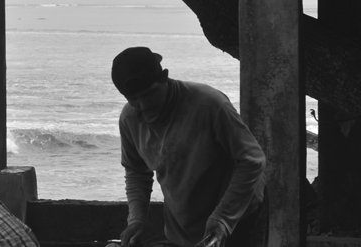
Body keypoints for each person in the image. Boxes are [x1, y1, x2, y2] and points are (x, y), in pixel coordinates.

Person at [111, 46, 266, 247]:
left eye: (149, 94)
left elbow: (252, 160)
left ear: (164, 78)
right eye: (133, 99)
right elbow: (136, 172)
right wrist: (136, 220)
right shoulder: (129, 118)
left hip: (239, 218)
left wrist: (224, 217)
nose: (143, 105)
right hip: (183, 227)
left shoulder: (210, 104)